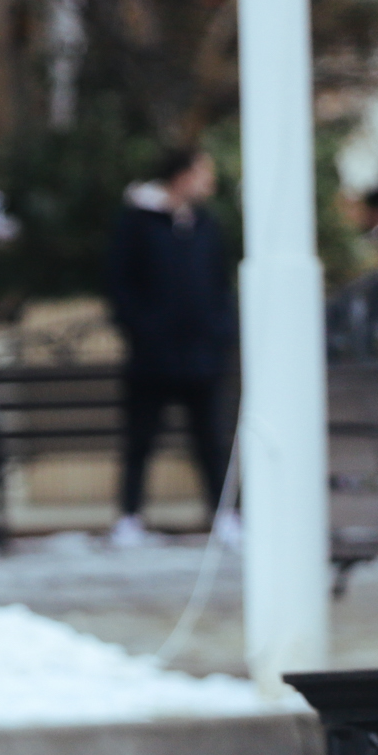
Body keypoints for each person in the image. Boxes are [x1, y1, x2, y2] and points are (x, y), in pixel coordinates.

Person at [102, 145, 235, 550]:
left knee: (211, 440)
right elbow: (119, 284)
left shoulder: (206, 224)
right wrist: (144, 330)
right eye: (202, 172)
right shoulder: (137, 223)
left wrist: (220, 331)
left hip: (201, 357)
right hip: (152, 359)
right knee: (140, 439)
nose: (209, 181)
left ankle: (226, 515)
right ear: (181, 175)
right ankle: (129, 517)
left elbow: (219, 284)